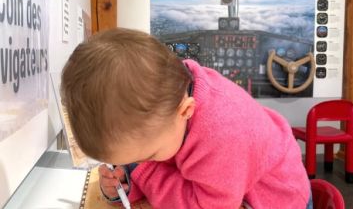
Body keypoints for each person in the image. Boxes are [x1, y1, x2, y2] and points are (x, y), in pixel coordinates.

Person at [61, 28, 312, 209]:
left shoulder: (224, 133)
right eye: (130, 160)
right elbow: (164, 156)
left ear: (186, 111)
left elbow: (208, 206)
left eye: (147, 156)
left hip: (275, 198)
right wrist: (126, 182)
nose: (140, 163)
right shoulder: (170, 101)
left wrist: (143, 174)